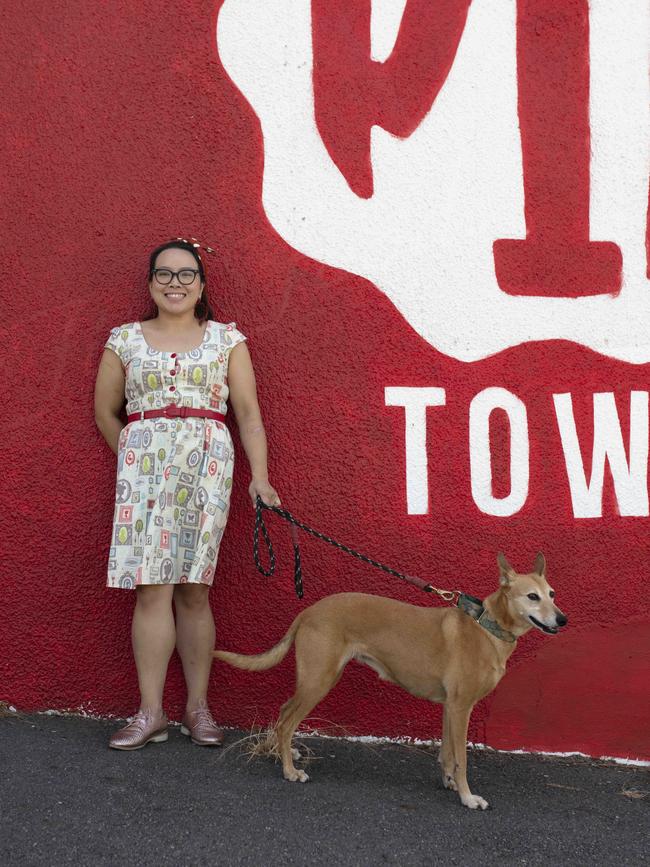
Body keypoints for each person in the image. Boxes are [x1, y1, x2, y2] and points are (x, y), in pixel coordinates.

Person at [94, 237, 279, 750]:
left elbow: (248, 416)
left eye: (185, 274)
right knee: (151, 588)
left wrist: (259, 478)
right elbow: (105, 412)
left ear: (201, 285)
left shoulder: (226, 340)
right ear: (151, 282)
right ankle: (150, 712)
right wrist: (135, 451)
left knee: (195, 589)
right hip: (143, 477)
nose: (174, 283)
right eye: (164, 274)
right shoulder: (124, 340)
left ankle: (198, 708)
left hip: (208, 473)